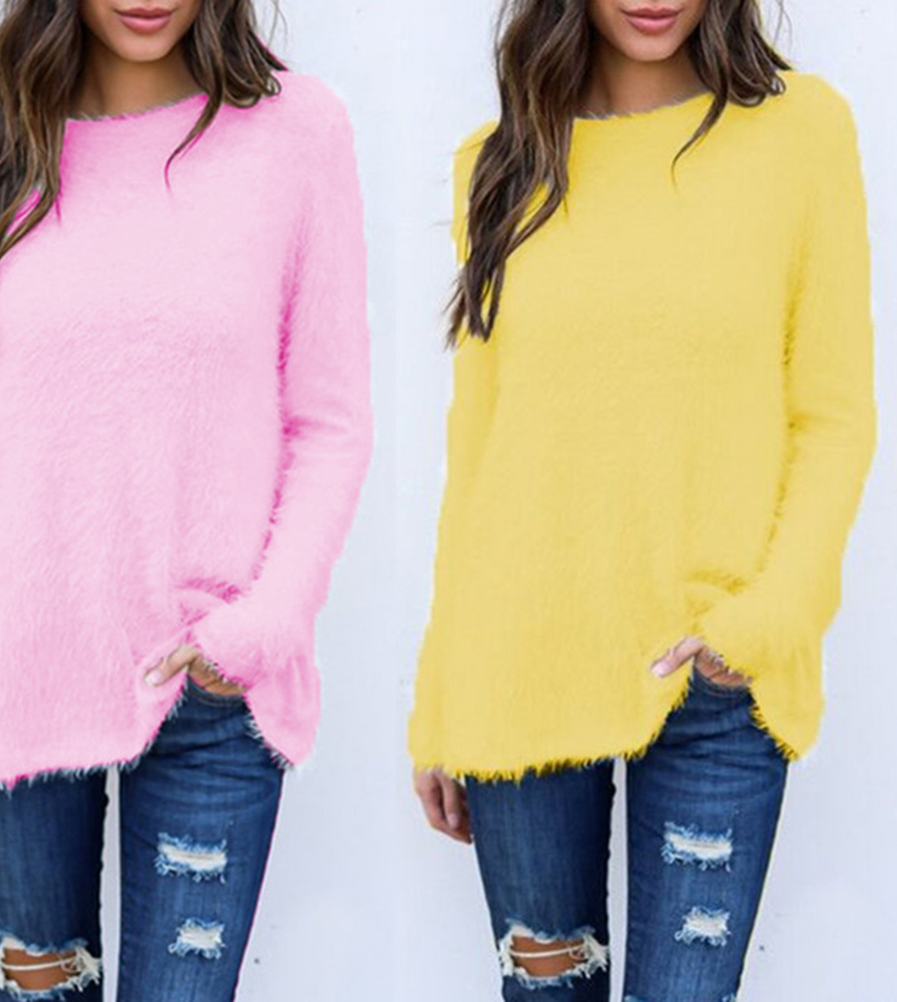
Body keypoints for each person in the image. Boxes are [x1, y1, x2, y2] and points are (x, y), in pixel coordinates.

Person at [0, 1, 372, 999]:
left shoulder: (297, 134)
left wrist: (263, 627)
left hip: (210, 687)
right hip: (11, 678)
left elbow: (328, 423)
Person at [409, 1, 876, 998]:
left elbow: (834, 416)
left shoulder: (801, 133)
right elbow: (480, 446)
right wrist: (440, 701)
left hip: (717, 683)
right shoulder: (500, 162)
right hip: (519, 674)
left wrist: (764, 624)